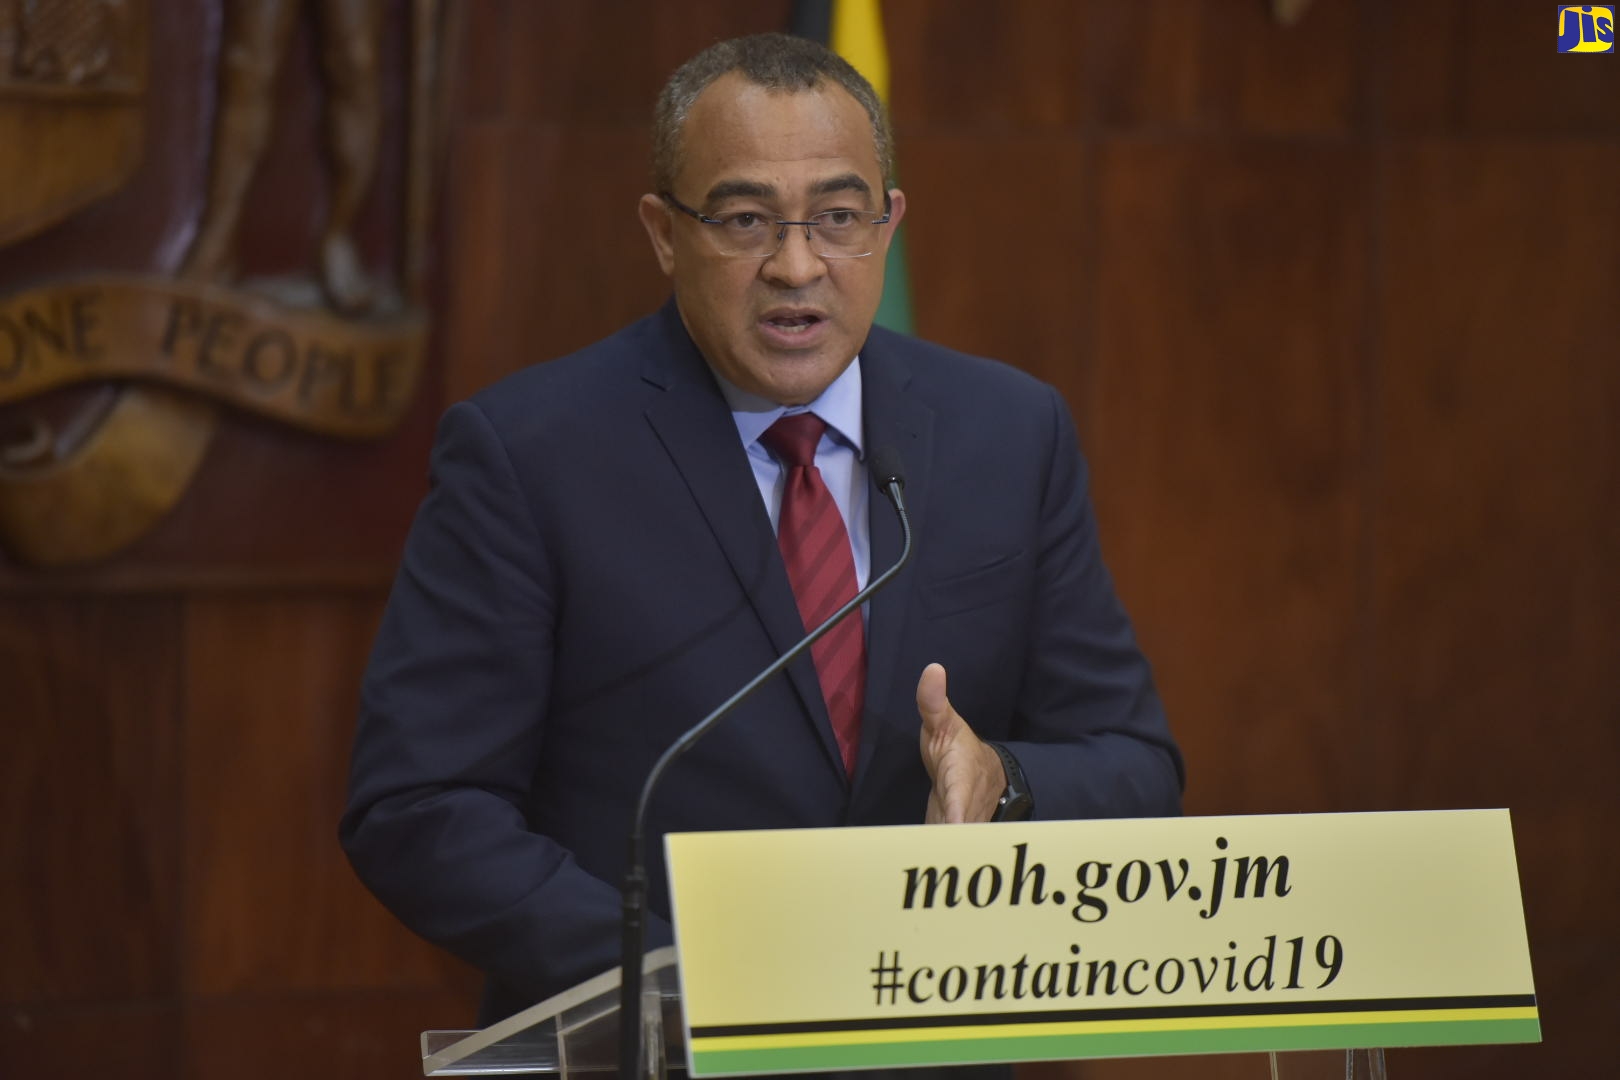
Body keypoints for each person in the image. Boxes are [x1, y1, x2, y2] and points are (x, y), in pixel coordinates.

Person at [340, 31, 1183, 1047]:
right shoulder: (529, 454)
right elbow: (420, 806)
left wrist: (1006, 781)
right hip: (651, 1048)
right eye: (744, 220)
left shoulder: (1007, 433)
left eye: (837, 217)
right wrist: (680, 971)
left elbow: (1133, 760)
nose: (795, 266)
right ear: (663, 231)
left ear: (889, 222)